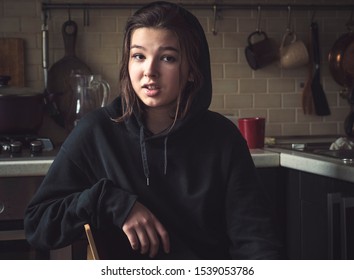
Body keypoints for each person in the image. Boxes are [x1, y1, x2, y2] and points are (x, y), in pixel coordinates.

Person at [24, 1, 282, 259]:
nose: (149, 71)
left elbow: (256, 239)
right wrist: (110, 201)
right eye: (139, 56)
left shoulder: (223, 138)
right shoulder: (97, 132)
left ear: (192, 70)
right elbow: (38, 225)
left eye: (167, 58)